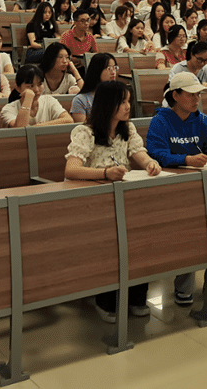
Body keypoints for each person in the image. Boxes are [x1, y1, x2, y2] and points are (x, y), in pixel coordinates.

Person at [64, 80, 161, 322]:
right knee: (110, 242)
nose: (128, 107)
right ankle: (105, 300)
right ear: (108, 104)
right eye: (123, 102)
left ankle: (137, 297)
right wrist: (105, 173)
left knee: (141, 236)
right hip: (92, 202)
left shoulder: (127, 129)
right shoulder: (85, 132)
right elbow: (71, 170)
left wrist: (150, 164)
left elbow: (139, 154)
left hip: (122, 198)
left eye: (129, 101)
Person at [144, 71, 207, 304]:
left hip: (202, 183)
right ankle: (184, 286)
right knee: (191, 229)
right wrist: (186, 160)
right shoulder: (160, 121)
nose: (196, 100)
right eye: (191, 95)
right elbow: (156, 154)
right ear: (175, 95)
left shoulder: (201, 119)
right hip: (171, 187)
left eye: (199, 95)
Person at [0, 65, 73, 127]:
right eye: (31, 86)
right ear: (18, 88)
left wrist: (38, 127)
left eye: (40, 84)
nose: (36, 90)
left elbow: (68, 120)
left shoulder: (49, 100)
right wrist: (28, 99)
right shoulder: (8, 109)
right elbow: (20, 129)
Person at [70, 53, 119, 122]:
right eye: (109, 68)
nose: (113, 72)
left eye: (114, 68)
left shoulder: (118, 95)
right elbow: (82, 127)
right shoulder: (80, 100)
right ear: (97, 70)